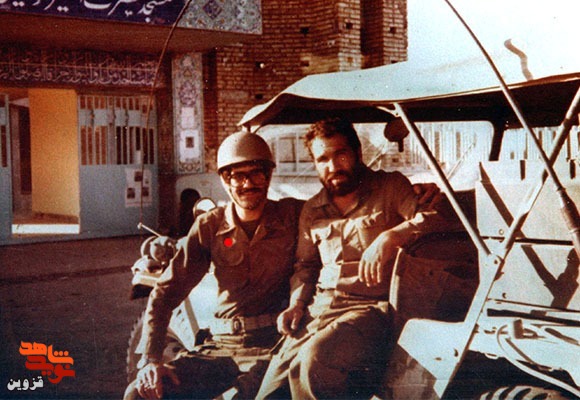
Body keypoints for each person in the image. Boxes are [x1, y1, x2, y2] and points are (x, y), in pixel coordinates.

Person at [256, 117, 447, 399]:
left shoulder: (390, 187)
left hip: (371, 310)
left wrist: (391, 236)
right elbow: (306, 266)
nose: (333, 166)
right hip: (319, 311)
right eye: (322, 159)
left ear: (357, 153)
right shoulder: (313, 209)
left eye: (340, 154)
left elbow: (434, 217)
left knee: (315, 361)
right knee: (270, 389)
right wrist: (296, 304)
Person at [124, 131, 304, 399]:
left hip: (275, 345)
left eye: (256, 173)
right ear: (224, 180)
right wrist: (151, 359)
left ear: (268, 175)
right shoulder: (210, 225)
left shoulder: (292, 215)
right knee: (139, 394)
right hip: (221, 347)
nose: (247, 184)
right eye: (237, 176)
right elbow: (166, 292)